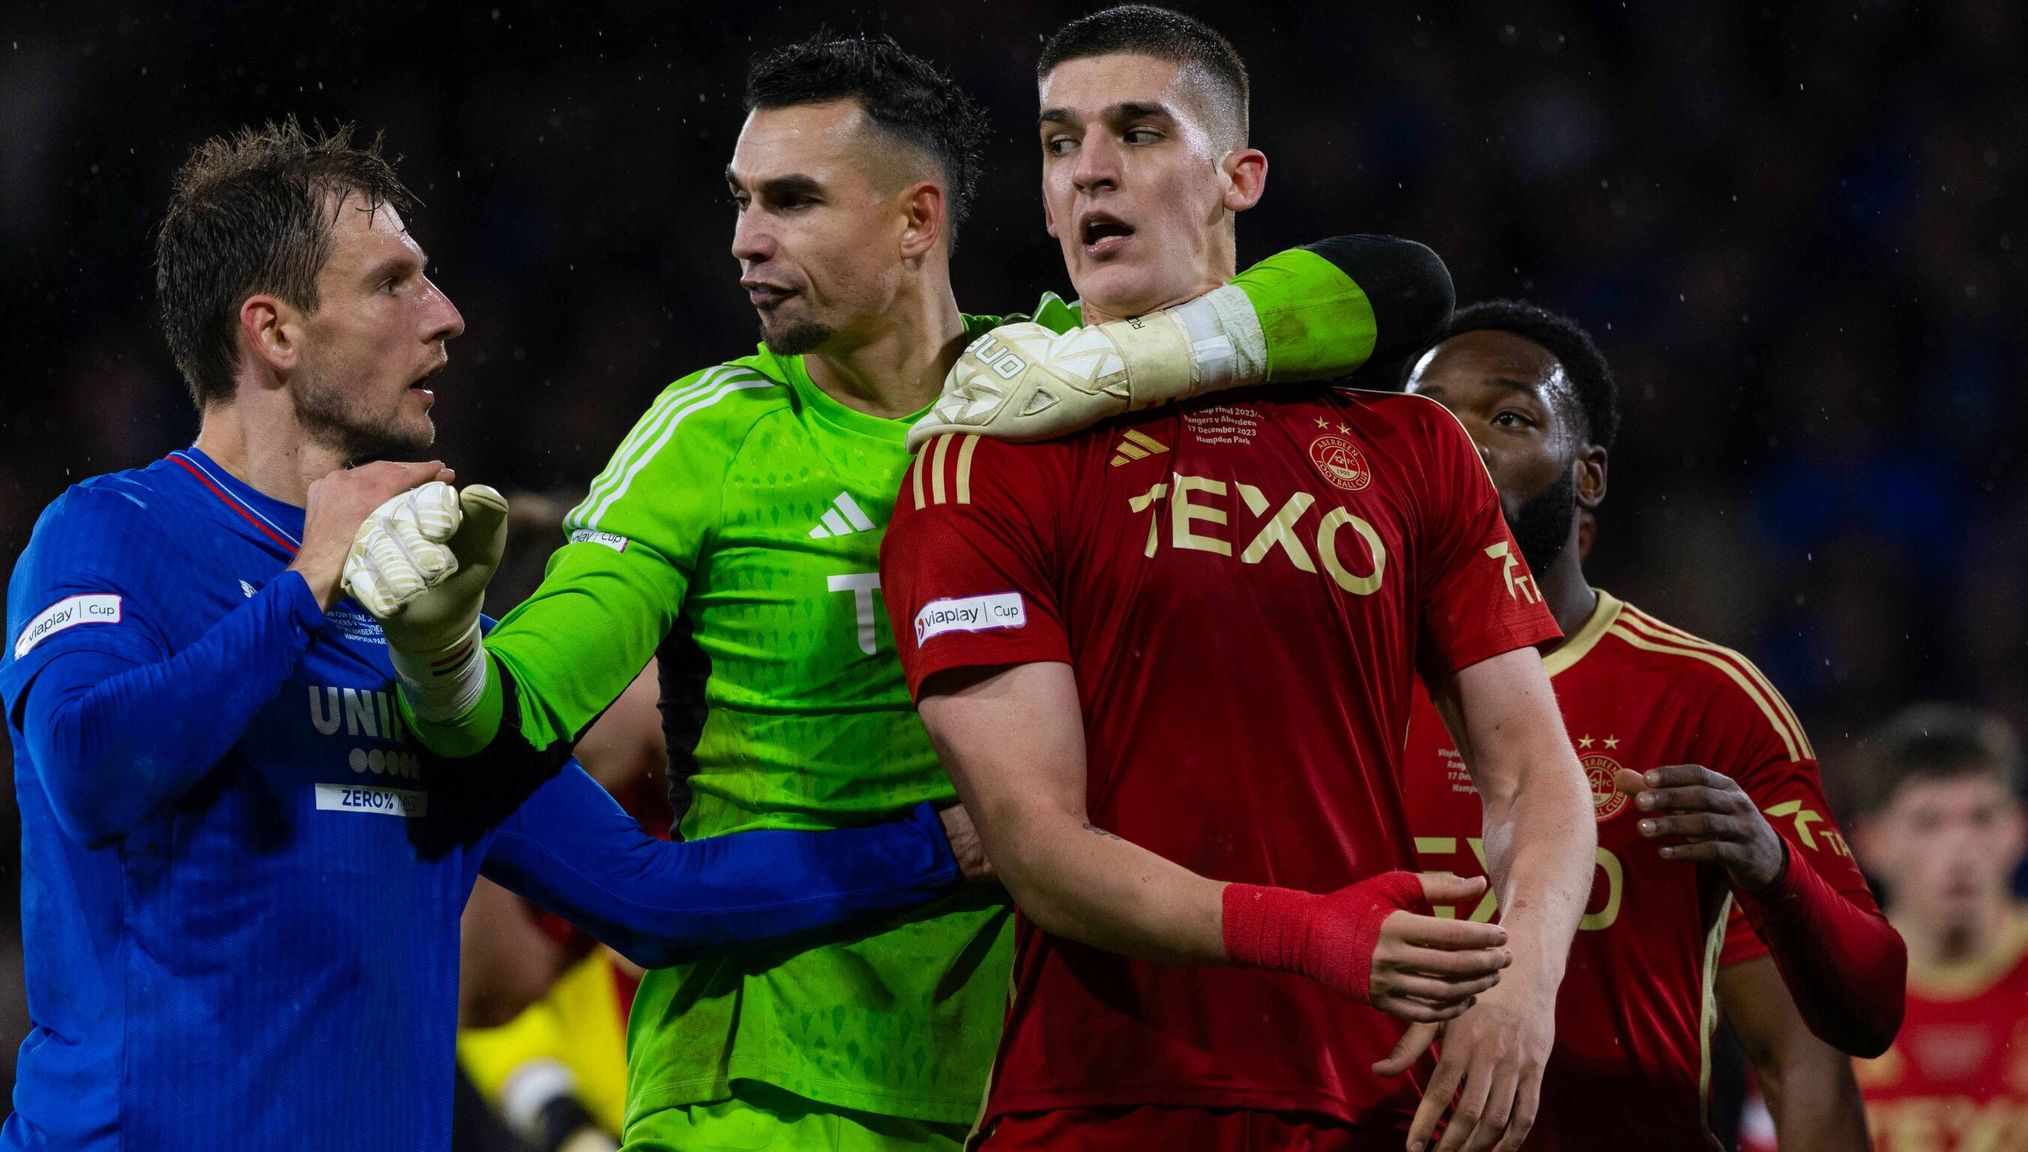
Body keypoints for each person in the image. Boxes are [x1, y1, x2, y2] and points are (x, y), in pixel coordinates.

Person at [355, 33, 1454, 1152]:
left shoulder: (1056, 383)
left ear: (915, 221)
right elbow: (519, 715)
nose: (744, 242)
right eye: (739, 202)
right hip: (771, 1094)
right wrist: (442, 652)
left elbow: (1405, 287)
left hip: (1039, 1088)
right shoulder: (711, 436)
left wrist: (1126, 365)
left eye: (790, 202)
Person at [0, 119, 987, 1152]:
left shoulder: (430, 642)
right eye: (393, 284)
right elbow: (89, 768)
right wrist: (304, 583)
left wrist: (936, 847)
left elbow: (652, 898)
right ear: (274, 333)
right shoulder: (115, 532)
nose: (448, 317)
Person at [880, 9, 1596, 1150]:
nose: (1090, 170)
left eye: (1136, 131)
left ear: (1237, 176)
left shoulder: (1411, 448)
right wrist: (1312, 934)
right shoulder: (981, 460)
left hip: (1373, 1104)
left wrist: (1521, 990)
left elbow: (1533, 779)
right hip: (1100, 1101)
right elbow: (1035, 844)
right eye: (1060, 143)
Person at [1401, 300, 1906, 1150]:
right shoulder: (1334, 680)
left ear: (1587, 476)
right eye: (1429, 419)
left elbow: (1864, 1009)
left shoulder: (1703, 698)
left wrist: (1775, 868)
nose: (1460, 443)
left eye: (1510, 417)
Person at [1845, 703, 2028, 1150]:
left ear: (2020, 830)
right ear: (1871, 842)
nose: (1960, 848)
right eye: (1928, 823)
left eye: (1982, 818)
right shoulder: (1829, 997)